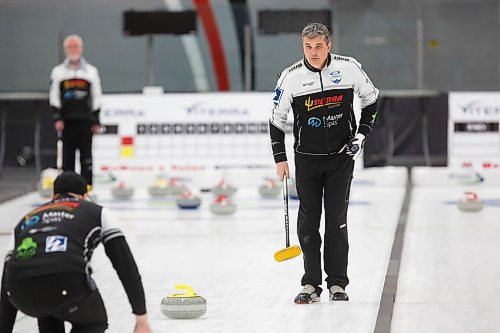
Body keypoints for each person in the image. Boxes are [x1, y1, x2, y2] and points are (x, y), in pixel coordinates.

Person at [269, 23, 379, 303]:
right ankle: (311, 284)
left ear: (328, 45)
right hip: (306, 160)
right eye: (308, 47)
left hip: (341, 159)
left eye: (318, 46)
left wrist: (361, 135)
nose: (313, 52)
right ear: (302, 46)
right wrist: (280, 159)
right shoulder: (290, 77)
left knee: (336, 222)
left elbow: (371, 99)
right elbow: (276, 120)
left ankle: (337, 284)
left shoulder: (349, 67)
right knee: (308, 223)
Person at [0, 171, 153, 333]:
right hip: (66, 283)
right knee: (93, 321)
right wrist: (141, 317)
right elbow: (125, 264)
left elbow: (6, 279)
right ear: (85, 196)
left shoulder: (25, 220)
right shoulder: (98, 211)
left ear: (53, 196)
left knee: (48, 304)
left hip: (20, 291)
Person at [49, 34, 102, 191]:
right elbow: (54, 96)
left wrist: (95, 120)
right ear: (66, 49)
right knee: (68, 159)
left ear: (81, 48)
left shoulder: (91, 71)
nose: (73, 50)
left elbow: (97, 97)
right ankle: (68, 191)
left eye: (76, 46)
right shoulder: (58, 72)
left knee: (86, 157)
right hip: (67, 122)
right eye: (70, 47)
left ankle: (87, 189)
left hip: (85, 121)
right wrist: (57, 117)